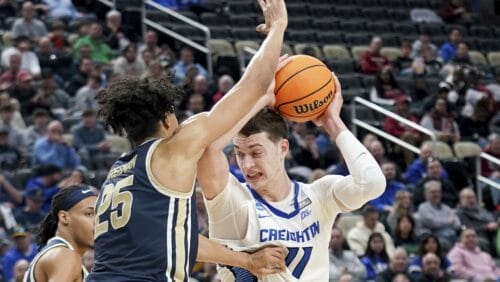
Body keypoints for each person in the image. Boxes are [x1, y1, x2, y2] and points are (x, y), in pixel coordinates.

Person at [87, 0, 289, 280]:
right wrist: (278, 27)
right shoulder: (173, 148)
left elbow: (180, 241)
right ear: (166, 119)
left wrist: (247, 261)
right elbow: (254, 83)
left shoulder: (119, 172)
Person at [197, 73, 386, 279]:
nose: (247, 165)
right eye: (239, 154)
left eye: (256, 152)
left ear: (283, 148)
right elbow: (206, 149)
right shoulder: (233, 202)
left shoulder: (319, 196)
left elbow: (372, 183)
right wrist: (261, 98)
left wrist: (332, 121)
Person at [23, 185, 97, 281]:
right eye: (89, 214)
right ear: (64, 217)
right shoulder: (64, 256)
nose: (97, 221)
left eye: (98, 214)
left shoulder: (60, 254)